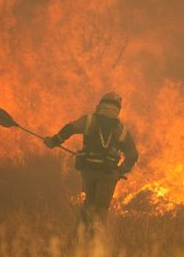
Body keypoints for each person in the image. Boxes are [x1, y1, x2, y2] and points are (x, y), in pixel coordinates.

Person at [43, 92, 138, 226]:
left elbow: (70, 128)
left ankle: (80, 237)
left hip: (89, 172)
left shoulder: (89, 120)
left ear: (100, 106)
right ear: (118, 110)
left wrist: (54, 141)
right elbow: (133, 155)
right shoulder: (121, 129)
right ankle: (97, 242)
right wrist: (120, 171)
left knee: (89, 204)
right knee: (102, 208)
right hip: (108, 175)